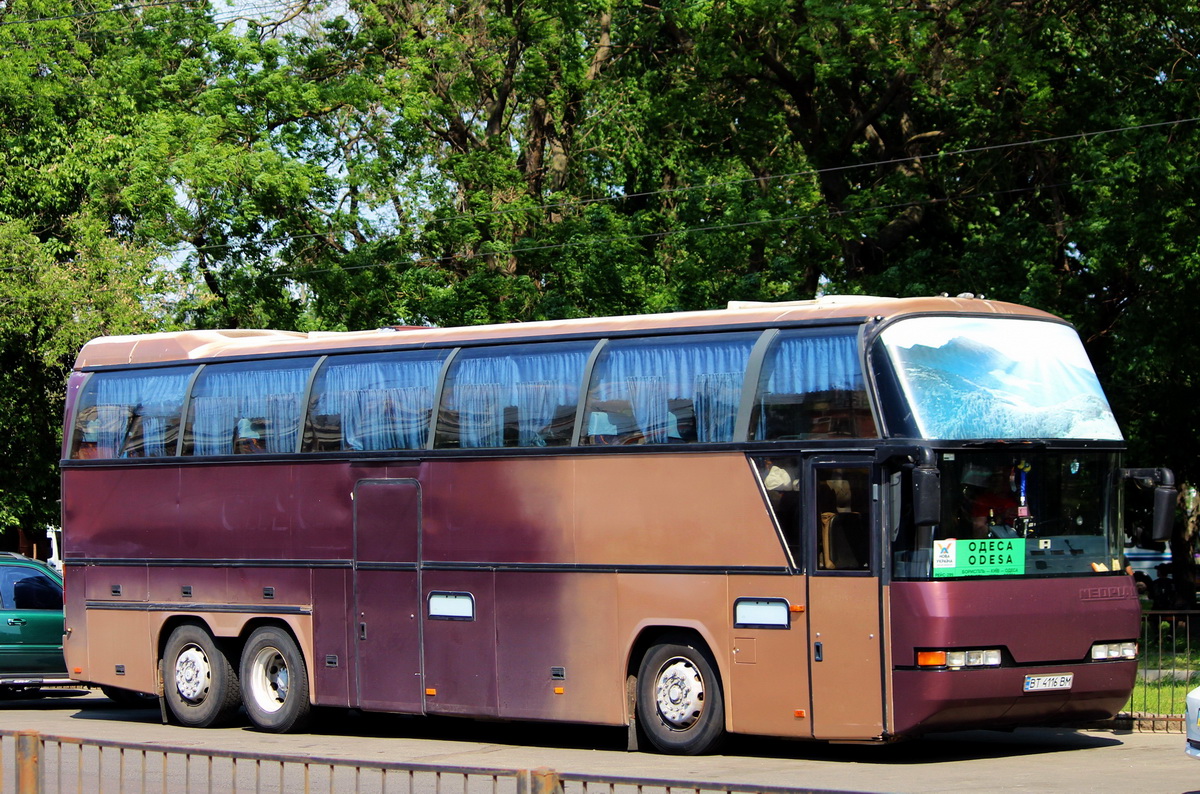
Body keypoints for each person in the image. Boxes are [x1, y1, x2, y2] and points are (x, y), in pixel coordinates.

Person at [970, 468, 1018, 538]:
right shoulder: (983, 501)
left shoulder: (1018, 499)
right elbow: (979, 532)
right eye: (1002, 478)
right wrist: (1002, 516)